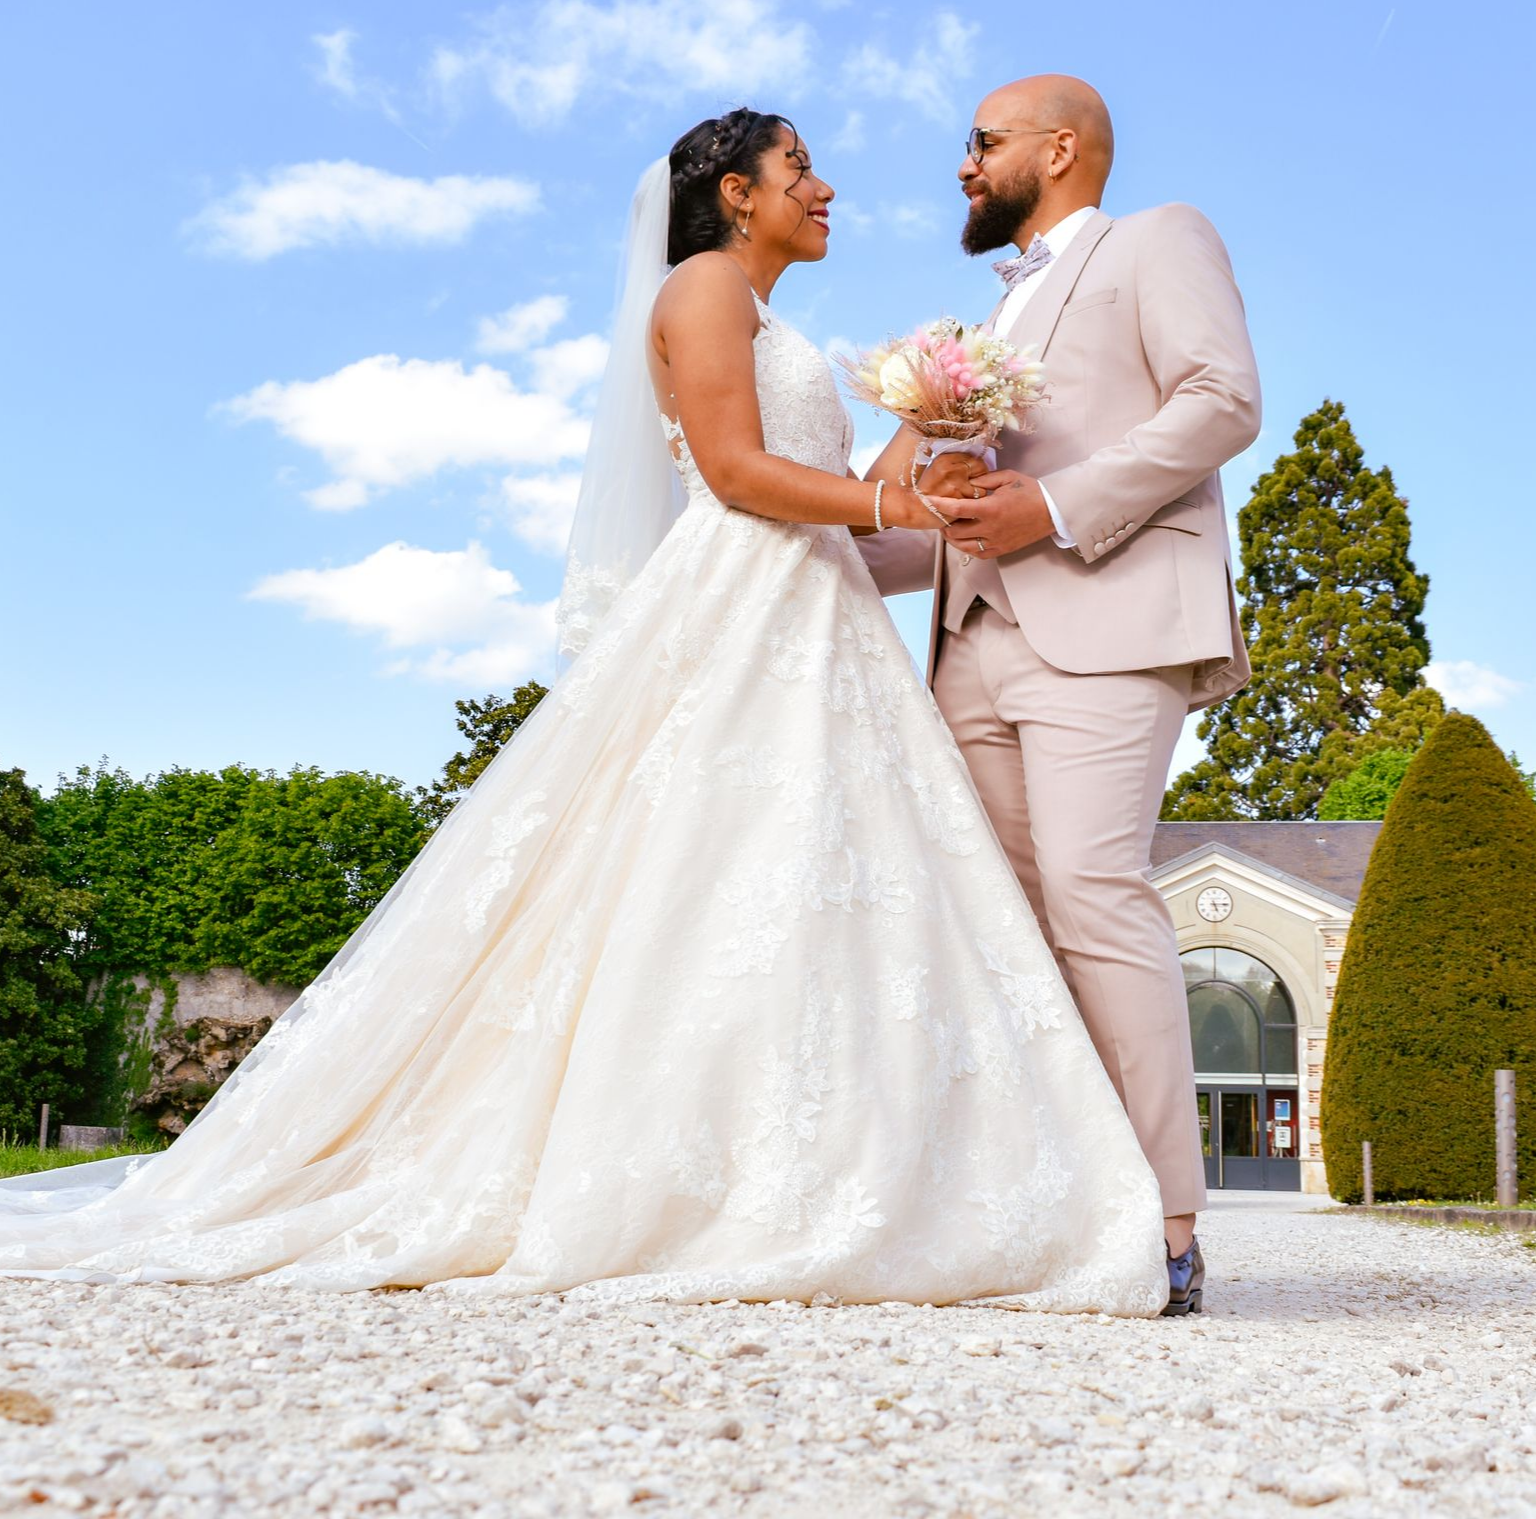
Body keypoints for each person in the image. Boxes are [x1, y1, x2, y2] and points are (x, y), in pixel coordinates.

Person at [0, 110, 1167, 1316]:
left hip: (820, 616)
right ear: (734, 193)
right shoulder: (701, 287)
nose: (823, 188)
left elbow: (839, 494)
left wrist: (929, 444)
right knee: (703, 874)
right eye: (799, 168)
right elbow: (735, 473)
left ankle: (831, 1167)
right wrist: (902, 511)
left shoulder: (770, 321)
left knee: (818, 879)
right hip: (741, 604)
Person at [858, 76, 1262, 1315]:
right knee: (1007, 925)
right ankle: (1059, 1210)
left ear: (1061, 147)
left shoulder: (1159, 239)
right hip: (967, 638)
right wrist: (767, 551)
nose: (963, 164)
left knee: (1093, 890)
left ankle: (1170, 1227)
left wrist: (1057, 505)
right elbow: (925, 521)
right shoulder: (976, 321)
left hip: (1111, 615)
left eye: (982, 143)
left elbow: (1222, 400)